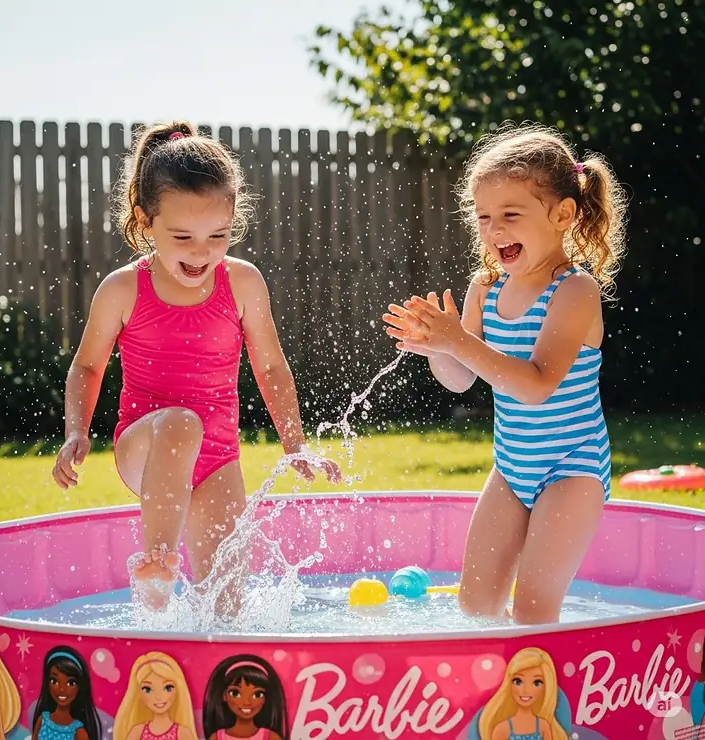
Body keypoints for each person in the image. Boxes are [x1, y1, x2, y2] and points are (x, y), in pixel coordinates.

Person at [52, 121, 341, 611]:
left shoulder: (243, 283)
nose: (201, 252)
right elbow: (86, 366)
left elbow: (271, 368)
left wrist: (295, 445)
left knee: (225, 605)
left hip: (218, 459)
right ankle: (159, 560)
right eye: (183, 236)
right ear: (146, 222)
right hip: (144, 448)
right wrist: (77, 430)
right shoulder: (124, 289)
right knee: (183, 423)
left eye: (218, 235)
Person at [383, 122, 628, 625]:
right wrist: (435, 347)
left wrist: (459, 342)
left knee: (534, 608)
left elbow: (537, 384)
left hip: (572, 468)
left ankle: (541, 696)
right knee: (475, 608)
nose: (495, 231)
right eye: (484, 218)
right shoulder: (485, 288)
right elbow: (460, 378)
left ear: (562, 214)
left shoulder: (574, 291)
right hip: (512, 467)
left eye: (510, 215)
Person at [477, 648, 567, 740]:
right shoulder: (503, 729)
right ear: (509, 684)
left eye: (536, 683)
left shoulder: (543, 726)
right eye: (518, 681)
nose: (526, 690)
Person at [112, 652, 195, 740]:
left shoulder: (182, 733)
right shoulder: (137, 731)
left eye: (168, 688)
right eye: (147, 690)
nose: (158, 697)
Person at [203, 655, 288, 740]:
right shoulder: (217, 737)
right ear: (224, 695)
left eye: (257, 695)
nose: (247, 702)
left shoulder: (271, 737)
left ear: (265, 698)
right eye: (235, 693)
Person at [31, 646, 101, 740]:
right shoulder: (43, 720)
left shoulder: (78, 731)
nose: (61, 689)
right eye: (54, 681)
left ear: (80, 686)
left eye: (71, 683)